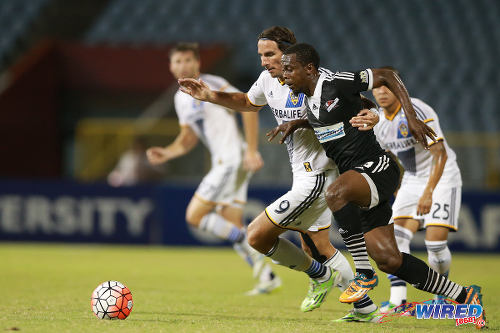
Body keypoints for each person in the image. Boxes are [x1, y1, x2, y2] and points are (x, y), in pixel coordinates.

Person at [178, 27, 381, 322]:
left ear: (288, 53)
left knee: (256, 235)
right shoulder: (267, 81)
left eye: (270, 54)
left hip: (319, 175)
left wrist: (373, 113)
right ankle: (365, 310)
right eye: (260, 55)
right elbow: (249, 103)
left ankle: (321, 276)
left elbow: (359, 101)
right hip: (303, 175)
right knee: (320, 246)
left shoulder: (315, 79)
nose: (263, 61)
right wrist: (210, 95)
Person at [277, 43, 485, 329]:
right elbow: (351, 111)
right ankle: (463, 296)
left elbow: (386, 75)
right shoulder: (309, 102)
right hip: (360, 182)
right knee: (389, 259)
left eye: (289, 68)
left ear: (309, 68)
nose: (284, 75)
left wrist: (410, 115)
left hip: (377, 168)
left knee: (334, 193)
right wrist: (299, 124)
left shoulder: (335, 82)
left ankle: (363, 274)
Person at [147, 42, 280, 295]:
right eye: (178, 61)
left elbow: (249, 108)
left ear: (197, 63)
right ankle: (267, 277)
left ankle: (258, 247)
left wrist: (252, 150)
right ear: (170, 66)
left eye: (188, 60)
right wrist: (166, 152)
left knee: (194, 217)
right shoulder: (180, 99)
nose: (183, 65)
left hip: (231, 159)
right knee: (231, 223)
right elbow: (187, 139)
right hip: (231, 161)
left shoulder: (212, 82)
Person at [371, 75, 462, 312]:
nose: (381, 91)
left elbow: (439, 153)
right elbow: (390, 155)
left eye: (387, 86)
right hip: (412, 179)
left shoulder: (417, 109)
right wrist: (399, 183)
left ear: (399, 87)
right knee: (396, 239)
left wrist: (428, 193)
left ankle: (442, 296)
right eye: (376, 87)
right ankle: (399, 300)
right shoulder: (378, 120)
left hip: (442, 176)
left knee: (435, 246)